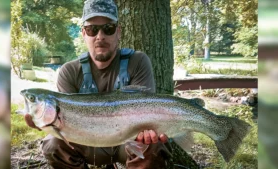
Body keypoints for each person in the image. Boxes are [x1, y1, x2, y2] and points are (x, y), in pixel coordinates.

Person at [24, 0, 172, 168]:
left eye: (108, 28)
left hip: (129, 143)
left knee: (153, 144)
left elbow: (148, 110)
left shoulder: (138, 61)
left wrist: (149, 131)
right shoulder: (69, 71)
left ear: (118, 32)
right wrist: (43, 123)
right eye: (92, 29)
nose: (100, 36)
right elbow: (63, 128)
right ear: (83, 34)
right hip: (87, 144)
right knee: (53, 144)